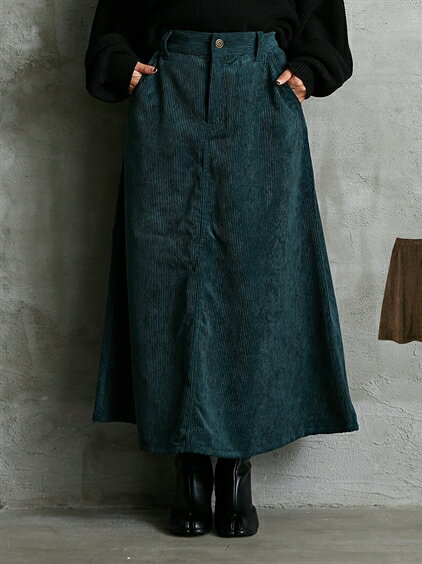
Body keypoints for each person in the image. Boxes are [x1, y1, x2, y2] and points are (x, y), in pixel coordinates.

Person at [84, 0, 359, 537]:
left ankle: (235, 466)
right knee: (163, 283)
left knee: (256, 282)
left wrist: (308, 72)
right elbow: (111, 25)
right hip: (169, 95)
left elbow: (326, 26)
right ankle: (188, 466)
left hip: (262, 95)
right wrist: (122, 66)